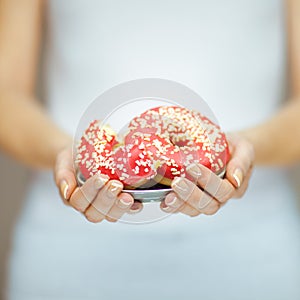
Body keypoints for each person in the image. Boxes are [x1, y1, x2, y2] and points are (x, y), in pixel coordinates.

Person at [0, 0, 299, 299]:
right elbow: (6, 99)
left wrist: (247, 147)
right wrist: (64, 152)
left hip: (253, 258)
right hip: (65, 255)